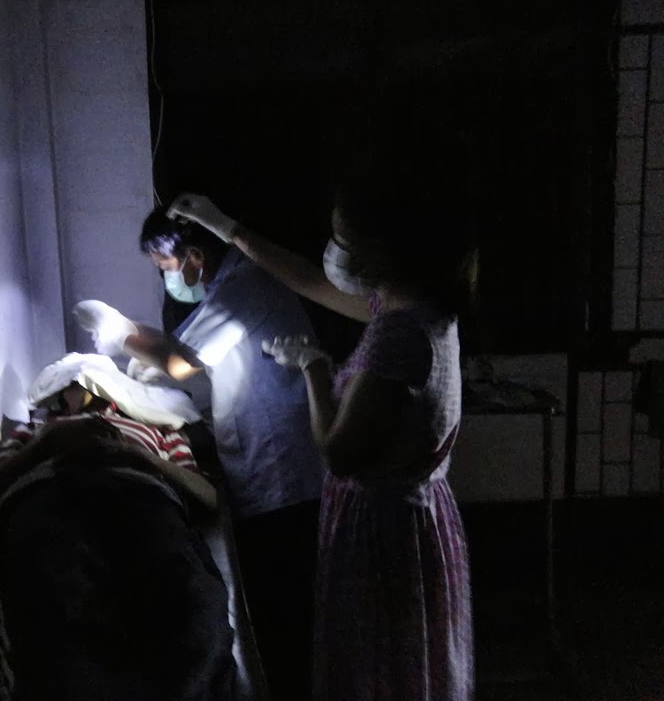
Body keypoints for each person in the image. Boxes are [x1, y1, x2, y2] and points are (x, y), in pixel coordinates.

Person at [166, 181, 475, 700]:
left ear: (385, 247)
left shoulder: (398, 334)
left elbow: (337, 451)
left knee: (377, 663)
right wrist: (228, 229)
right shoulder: (421, 306)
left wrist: (313, 369)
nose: (333, 252)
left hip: (383, 528)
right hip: (415, 514)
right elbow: (308, 279)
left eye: (343, 241)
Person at [73, 211, 327, 700]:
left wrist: (120, 331)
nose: (167, 278)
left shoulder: (244, 288)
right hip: (266, 466)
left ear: (194, 256)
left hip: (283, 475)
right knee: (276, 607)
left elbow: (181, 361)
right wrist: (148, 361)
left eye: (165, 266)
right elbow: (188, 352)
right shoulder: (227, 289)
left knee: (286, 608)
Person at [0, 366, 234, 701]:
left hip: (142, 495)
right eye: (72, 382)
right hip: (47, 493)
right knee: (52, 611)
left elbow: (206, 495)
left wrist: (135, 454)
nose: (82, 387)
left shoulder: (154, 429)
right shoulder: (38, 428)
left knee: (188, 607)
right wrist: (48, 443)